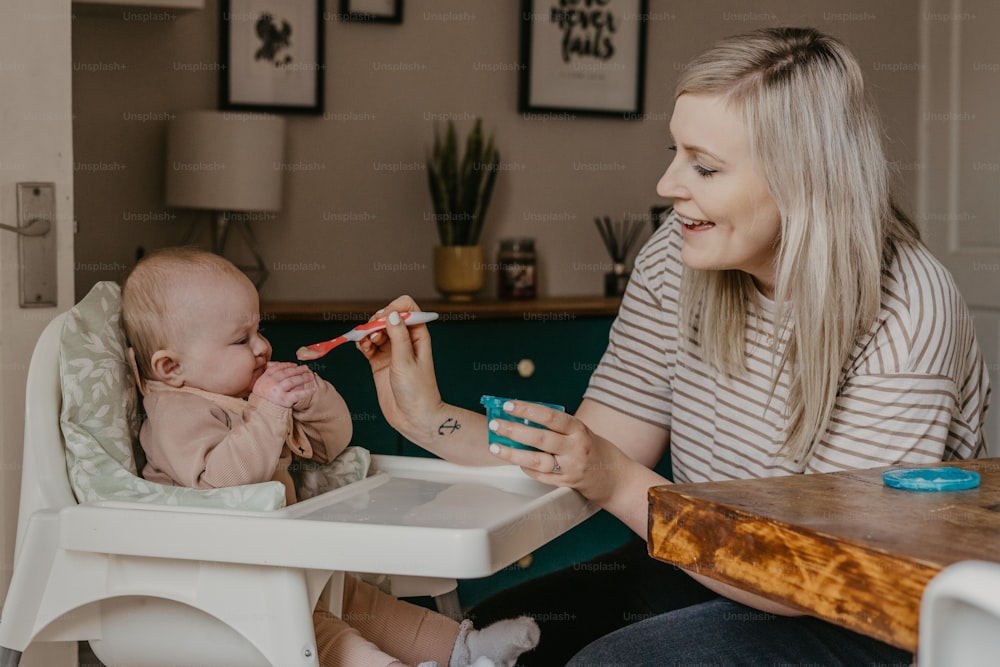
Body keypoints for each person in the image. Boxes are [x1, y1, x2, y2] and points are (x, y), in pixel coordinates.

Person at [358, 26, 991, 666]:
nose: (667, 184)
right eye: (675, 152)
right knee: (488, 637)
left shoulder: (908, 306)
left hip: (859, 615)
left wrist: (613, 477)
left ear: (806, 179)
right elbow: (593, 447)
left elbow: (824, 577)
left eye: (704, 166)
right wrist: (426, 415)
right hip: (705, 570)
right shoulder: (677, 257)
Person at [121, 247, 540, 667]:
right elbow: (221, 481)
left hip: (276, 558)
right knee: (310, 626)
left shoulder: (245, 397)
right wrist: (268, 409)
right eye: (240, 339)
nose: (262, 347)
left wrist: (309, 398)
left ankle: (462, 649)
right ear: (170, 367)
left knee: (360, 602)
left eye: (258, 331)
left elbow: (331, 444)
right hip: (219, 583)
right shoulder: (175, 413)